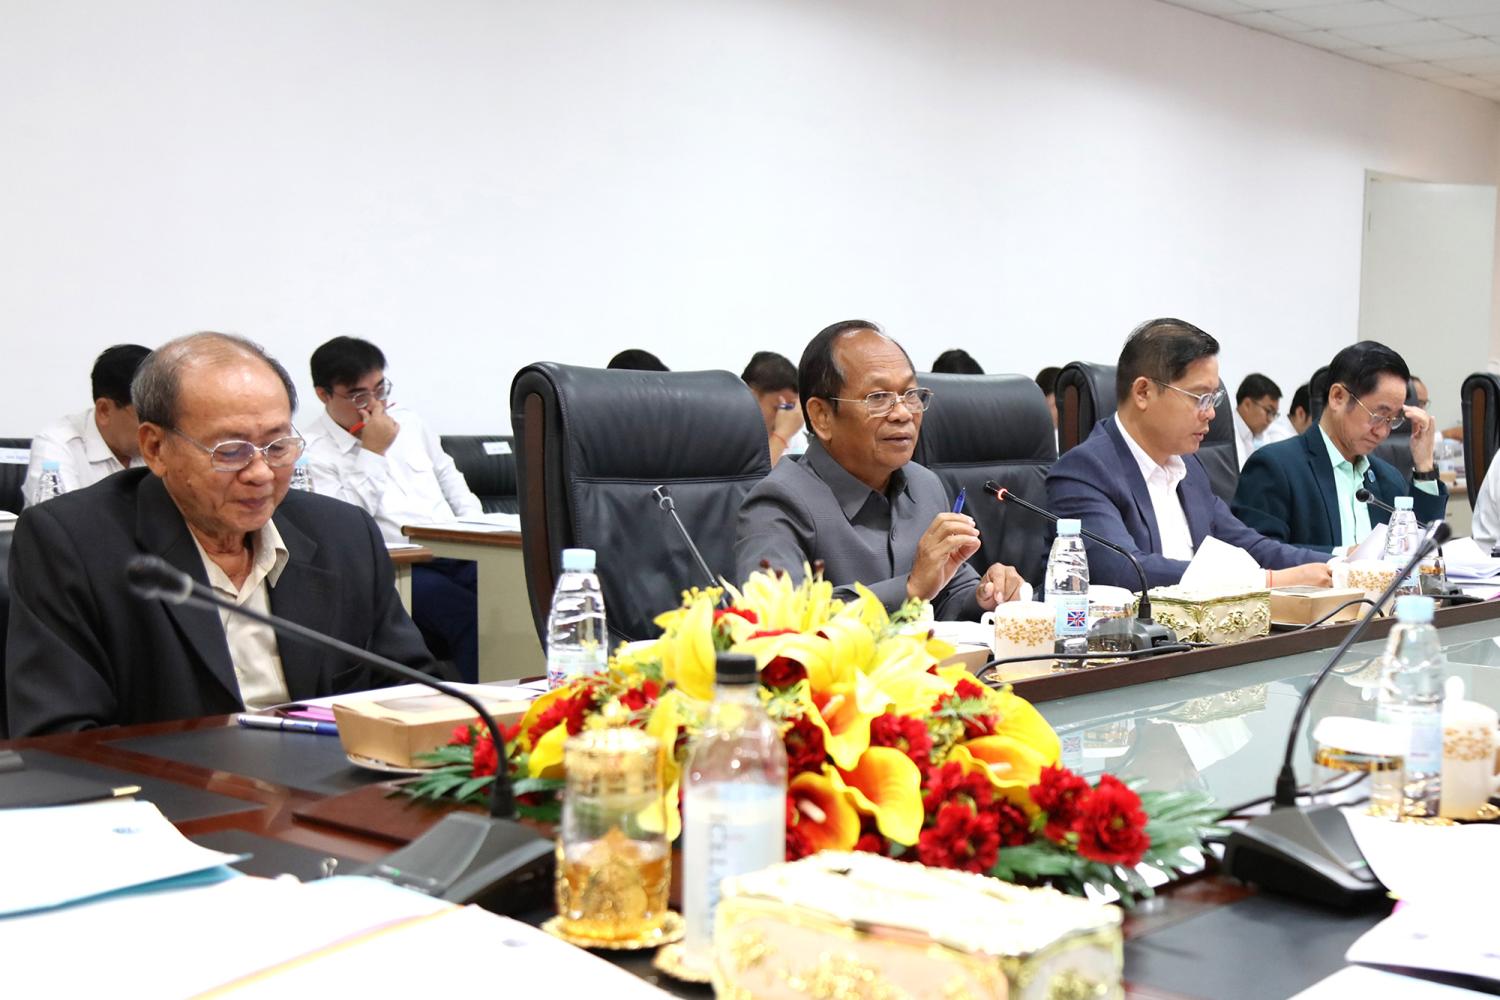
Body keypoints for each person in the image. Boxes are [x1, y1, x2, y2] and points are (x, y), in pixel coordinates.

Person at [4, 333, 435, 737]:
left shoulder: (344, 534)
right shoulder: (72, 544)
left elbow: (414, 692)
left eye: (277, 446)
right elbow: (62, 739)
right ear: (155, 448)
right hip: (171, 787)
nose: (261, 473)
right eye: (231, 451)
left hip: (333, 781)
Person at [735, 320, 1025, 619]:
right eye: (878, 398)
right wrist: (909, 589)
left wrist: (985, 596)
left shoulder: (924, 484)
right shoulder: (778, 503)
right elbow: (777, 619)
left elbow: (946, 592)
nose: (902, 413)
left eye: (911, 395)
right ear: (822, 416)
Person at [1046, 318, 1330, 590]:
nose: (1211, 413)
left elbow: (1250, 545)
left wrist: (1338, 565)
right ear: (1143, 392)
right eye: (1200, 398)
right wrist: (1266, 582)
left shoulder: (1189, 467)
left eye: (1214, 398)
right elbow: (1127, 572)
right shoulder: (1084, 471)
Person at [301, 336, 482, 682]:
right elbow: (343, 526)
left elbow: (450, 478)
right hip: (401, 568)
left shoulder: (409, 423)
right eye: (359, 396)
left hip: (459, 550)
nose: (375, 404)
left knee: (520, 596)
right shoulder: (311, 452)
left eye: (380, 389)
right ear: (324, 395)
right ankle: (486, 707)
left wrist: (478, 530)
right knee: (468, 616)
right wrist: (373, 452)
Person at [1231, 341, 1445, 552]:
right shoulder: (1275, 467)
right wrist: (1345, 558)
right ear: (1338, 397)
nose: (1383, 432)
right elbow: (1257, 552)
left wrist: (1424, 465)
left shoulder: (1388, 479)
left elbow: (1421, 552)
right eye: (1378, 416)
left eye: (1393, 420)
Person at [22, 344, 152, 505]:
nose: (158, 428)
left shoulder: (166, 441)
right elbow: (63, 517)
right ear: (104, 410)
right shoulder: (56, 446)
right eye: (146, 416)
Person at [741, 350, 806, 466]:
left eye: (788, 408)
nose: (783, 416)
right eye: (778, 408)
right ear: (751, 397)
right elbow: (755, 475)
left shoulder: (794, 436)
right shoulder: (730, 435)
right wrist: (781, 436)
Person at [1231, 373, 1282, 469]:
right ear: (1247, 404)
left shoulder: (1262, 437)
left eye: (1274, 414)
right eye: (1269, 411)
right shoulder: (1226, 433)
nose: (1270, 420)